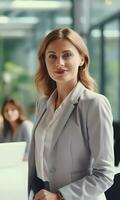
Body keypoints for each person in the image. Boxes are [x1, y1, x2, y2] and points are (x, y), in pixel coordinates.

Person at [28, 27, 114, 200]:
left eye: (67, 55)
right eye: (52, 56)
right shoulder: (43, 104)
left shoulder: (94, 104)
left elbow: (104, 175)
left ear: (81, 59)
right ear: (44, 61)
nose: (59, 62)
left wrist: (59, 196)